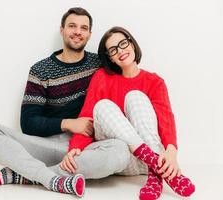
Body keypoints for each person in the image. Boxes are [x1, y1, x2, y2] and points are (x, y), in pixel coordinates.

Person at [0, 8, 132, 198]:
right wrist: (69, 123)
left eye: (83, 28)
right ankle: (50, 178)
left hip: (85, 150)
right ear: (62, 29)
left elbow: (127, 79)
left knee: (121, 152)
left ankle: (29, 175)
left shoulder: (100, 65)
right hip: (44, 145)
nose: (78, 31)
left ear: (90, 34)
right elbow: (28, 123)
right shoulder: (41, 70)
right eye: (72, 26)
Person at [61, 26, 195, 200]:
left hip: (146, 160)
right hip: (122, 157)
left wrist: (171, 152)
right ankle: (157, 168)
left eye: (123, 44)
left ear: (132, 44)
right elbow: (88, 117)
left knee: (135, 96)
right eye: (113, 50)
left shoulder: (154, 81)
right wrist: (75, 148)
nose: (120, 51)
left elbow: (165, 117)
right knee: (102, 106)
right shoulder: (102, 77)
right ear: (110, 58)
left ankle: (154, 173)